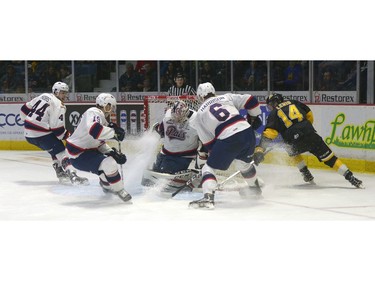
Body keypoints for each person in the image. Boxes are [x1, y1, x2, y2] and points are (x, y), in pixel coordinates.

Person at [253, 92, 363, 188]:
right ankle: (351, 177)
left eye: (269, 105)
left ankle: (306, 173)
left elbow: (269, 134)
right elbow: (309, 115)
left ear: (272, 104)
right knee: (330, 158)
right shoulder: (294, 102)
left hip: (294, 141)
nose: (270, 108)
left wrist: (259, 150)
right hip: (310, 135)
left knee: (292, 150)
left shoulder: (274, 113)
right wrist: (305, 129)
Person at [188, 82, 264, 209]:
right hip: (247, 132)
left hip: (228, 136)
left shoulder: (199, 115)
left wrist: (221, 156)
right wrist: (254, 117)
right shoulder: (226, 97)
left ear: (200, 97)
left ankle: (208, 198)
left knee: (208, 168)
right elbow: (251, 100)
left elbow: (209, 145)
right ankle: (255, 190)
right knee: (243, 164)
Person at [65, 93, 132, 202]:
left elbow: (98, 142)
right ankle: (120, 190)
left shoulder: (100, 118)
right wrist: (114, 133)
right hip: (78, 154)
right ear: (105, 104)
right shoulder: (94, 112)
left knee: (106, 166)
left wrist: (112, 152)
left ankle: (106, 186)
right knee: (109, 163)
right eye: (111, 106)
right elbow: (95, 131)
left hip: (84, 152)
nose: (111, 110)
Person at [20, 81, 88, 185]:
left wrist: (29, 122)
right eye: (62, 92)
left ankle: (60, 172)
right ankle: (73, 176)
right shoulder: (59, 105)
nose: (65, 95)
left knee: (53, 147)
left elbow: (24, 110)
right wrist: (69, 136)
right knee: (61, 151)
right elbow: (57, 129)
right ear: (55, 91)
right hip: (40, 134)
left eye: (65, 93)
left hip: (28, 134)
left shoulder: (44, 96)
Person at [141, 100, 205, 191]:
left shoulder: (196, 121)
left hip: (183, 156)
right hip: (165, 152)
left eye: (179, 118)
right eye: (174, 117)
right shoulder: (168, 116)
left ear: (186, 114)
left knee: (164, 177)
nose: (176, 120)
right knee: (153, 176)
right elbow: (161, 130)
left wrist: (202, 156)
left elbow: (204, 140)